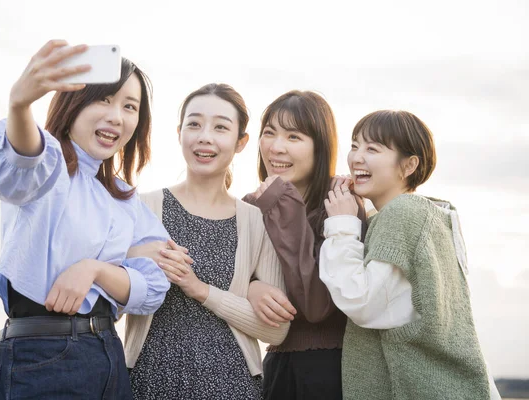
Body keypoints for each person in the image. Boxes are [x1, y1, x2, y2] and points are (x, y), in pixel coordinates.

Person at [0, 40, 170, 399]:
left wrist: (94, 270)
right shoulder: (48, 166)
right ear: (72, 102)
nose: (117, 116)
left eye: (130, 106)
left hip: (108, 355)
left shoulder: (123, 196)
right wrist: (20, 104)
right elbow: (21, 159)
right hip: (43, 355)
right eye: (104, 99)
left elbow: (154, 285)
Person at [123, 83, 290, 400]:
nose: (205, 137)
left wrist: (200, 289)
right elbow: (112, 306)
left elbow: (276, 330)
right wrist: (138, 263)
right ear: (179, 132)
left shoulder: (255, 221)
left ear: (241, 142)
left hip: (235, 386)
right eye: (194, 124)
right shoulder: (141, 208)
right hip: (148, 383)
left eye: (221, 128)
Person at [319, 110, 498, 399]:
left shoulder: (403, 213)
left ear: (410, 164)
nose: (356, 158)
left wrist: (342, 226)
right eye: (354, 146)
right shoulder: (432, 214)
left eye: (372, 149)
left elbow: (361, 299)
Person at [244, 90, 362, 399]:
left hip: (329, 369)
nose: (276, 147)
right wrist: (249, 286)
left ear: (319, 147)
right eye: (269, 133)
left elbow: (316, 305)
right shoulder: (251, 208)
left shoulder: (340, 204)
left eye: (293, 137)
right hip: (272, 367)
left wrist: (285, 204)